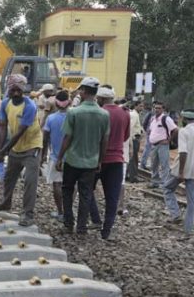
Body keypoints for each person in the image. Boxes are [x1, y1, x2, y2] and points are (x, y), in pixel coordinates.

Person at [55, 77, 110, 235]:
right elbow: (104, 140)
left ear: (84, 91)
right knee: (86, 194)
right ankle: (81, 227)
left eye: (80, 89)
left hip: (73, 160)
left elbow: (67, 138)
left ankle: (68, 223)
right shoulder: (104, 114)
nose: (79, 92)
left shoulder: (74, 112)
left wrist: (59, 158)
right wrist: (100, 160)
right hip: (91, 162)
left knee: (67, 190)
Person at [0, 74, 43, 227]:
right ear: (9, 90)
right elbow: (3, 127)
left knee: (30, 182)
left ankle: (28, 214)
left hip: (32, 147)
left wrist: (3, 151)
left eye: (19, 90)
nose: (16, 93)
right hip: (15, 148)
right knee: (9, 178)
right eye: (13, 90)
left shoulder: (30, 106)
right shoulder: (5, 103)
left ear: (24, 90)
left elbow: (19, 133)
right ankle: (5, 204)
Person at [88, 85, 130, 241]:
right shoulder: (125, 114)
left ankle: (95, 218)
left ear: (101, 99)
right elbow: (125, 137)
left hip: (96, 159)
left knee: (87, 189)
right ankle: (107, 230)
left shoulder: (98, 113)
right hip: (117, 160)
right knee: (112, 197)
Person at [162, 109, 194, 232]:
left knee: (167, 188)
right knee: (192, 202)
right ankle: (188, 230)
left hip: (182, 168)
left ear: (185, 119)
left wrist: (182, 171)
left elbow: (183, 152)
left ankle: (176, 214)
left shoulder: (184, 131)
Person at [42, 90, 70, 221]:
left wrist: (42, 155)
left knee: (57, 184)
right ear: (68, 102)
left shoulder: (51, 118)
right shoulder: (73, 116)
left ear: (57, 104)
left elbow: (45, 138)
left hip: (55, 157)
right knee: (70, 185)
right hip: (72, 157)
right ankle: (69, 210)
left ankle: (60, 212)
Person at [148, 101, 178, 188]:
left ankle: (165, 184)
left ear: (163, 109)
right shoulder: (153, 119)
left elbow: (176, 130)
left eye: (159, 108)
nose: (157, 110)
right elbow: (151, 129)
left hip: (163, 145)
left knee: (164, 165)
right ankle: (155, 182)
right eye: (155, 108)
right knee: (154, 164)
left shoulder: (166, 119)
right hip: (154, 145)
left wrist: (169, 140)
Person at [126, 101, 145, 182]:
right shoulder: (134, 115)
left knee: (132, 158)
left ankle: (127, 175)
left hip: (135, 139)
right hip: (133, 139)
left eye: (142, 106)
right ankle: (133, 177)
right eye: (140, 106)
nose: (142, 108)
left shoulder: (135, 114)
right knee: (133, 159)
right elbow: (130, 128)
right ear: (136, 106)